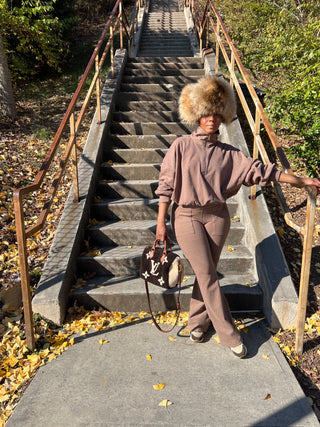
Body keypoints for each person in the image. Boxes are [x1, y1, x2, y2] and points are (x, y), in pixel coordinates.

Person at [155, 76, 320, 358]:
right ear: (197, 114)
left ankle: (197, 322)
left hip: (218, 218)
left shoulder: (231, 154)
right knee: (207, 275)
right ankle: (229, 335)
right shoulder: (181, 146)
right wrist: (161, 224)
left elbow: (265, 172)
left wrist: (301, 180)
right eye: (206, 113)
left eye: (217, 114)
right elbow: (166, 186)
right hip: (186, 217)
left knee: (205, 274)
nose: (211, 119)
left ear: (222, 117)